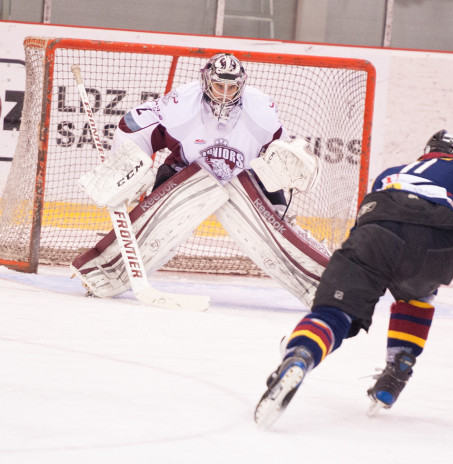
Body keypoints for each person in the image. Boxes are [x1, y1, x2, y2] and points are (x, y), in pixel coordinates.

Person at [254, 129, 453, 429]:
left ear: (426, 151)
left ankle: (300, 356)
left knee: (335, 313)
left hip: (377, 229)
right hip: (437, 242)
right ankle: (397, 371)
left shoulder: (391, 173)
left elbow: (367, 220)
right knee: (417, 294)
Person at [71, 53, 327, 307]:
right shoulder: (181, 103)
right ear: (206, 82)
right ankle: (101, 272)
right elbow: (131, 126)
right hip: (187, 172)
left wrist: (288, 164)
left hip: (245, 179)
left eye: (232, 87)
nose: (225, 93)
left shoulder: (261, 108)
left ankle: (327, 283)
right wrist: (125, 167)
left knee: (277, 233)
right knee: (158, 227)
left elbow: (280, 149)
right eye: (219, 85)